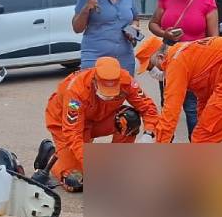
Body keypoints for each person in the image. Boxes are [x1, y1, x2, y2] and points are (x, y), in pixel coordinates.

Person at [137, 36, 222, 201]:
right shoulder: (189, 52)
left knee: (202, 138)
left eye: (151, 66)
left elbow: (170, 112)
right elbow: (204, 94)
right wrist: (204, 121)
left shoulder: (175, 61)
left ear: (160, 57)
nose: (153, 71)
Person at [42, 56, 159, 192]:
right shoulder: (75, 90)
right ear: (94, 81)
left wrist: (149, 134)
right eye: (105, 92)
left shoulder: (126, 81)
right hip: (64, 125)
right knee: (75, 180)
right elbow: (73, 132)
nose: (109, 96)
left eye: (113, 92)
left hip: (100, 118)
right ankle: (51, 155)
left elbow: (148, 108)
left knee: (129, 119)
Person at [147, 0, 218, 140]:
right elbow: (152, 24)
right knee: (168, 108)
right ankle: (165, 149)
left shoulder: (206, 0)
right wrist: (165, 33)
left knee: (193, 109)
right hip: (169, 60)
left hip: (196, 65)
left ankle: (196, 153)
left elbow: (214, 39)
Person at [72, 0, 140, 73]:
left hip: (124, 59)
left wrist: (133, 29)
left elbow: (135, 18)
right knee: (95, 91)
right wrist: (86, 8)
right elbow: (77, 28)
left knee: (125, 91)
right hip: (95, 58)